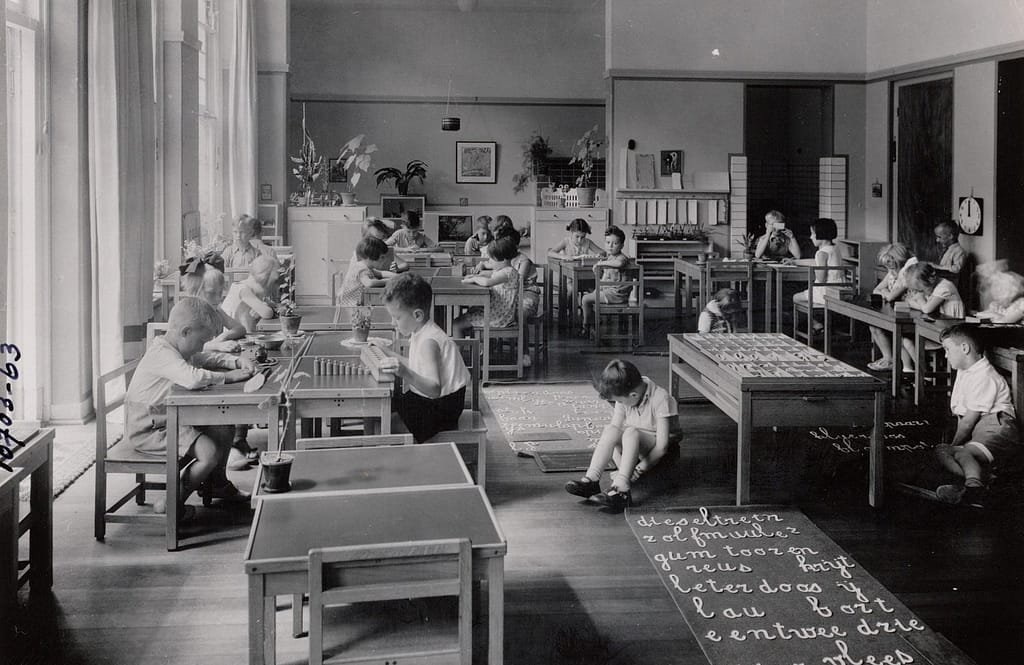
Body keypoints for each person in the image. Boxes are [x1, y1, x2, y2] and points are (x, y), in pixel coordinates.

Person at [125, 298, 255, 519]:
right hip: (148, 428)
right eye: (202, 340)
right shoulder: (161, 354)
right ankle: (172, 503)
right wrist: (228, 377)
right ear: (185, 332)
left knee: (223, 427)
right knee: (209, 454)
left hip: (166, 419)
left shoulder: (175, 348)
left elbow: (202, 358)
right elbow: (193, 378)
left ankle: (218, 484)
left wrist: (233, 362)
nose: (202, 346)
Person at [564, 359, 682, 509]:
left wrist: (638, 470)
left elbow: (662, 447)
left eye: (619, 401)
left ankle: (622, 490)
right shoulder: (626, 395)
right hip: (633, 450)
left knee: (631, 432)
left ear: (633, 395)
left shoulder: (661, 398)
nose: (619, 404)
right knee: (611, 429)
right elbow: (614, 433)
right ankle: (592, 480)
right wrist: (621, 468)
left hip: (661, 455)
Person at [376, 273, 471, 443]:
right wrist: (386, 351)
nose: (392, 323)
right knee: (389, 407)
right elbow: (417, 365)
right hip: (434, 400)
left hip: (443, 407)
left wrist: (404, 372)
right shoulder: (421, 330)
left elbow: (434, 389)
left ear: (417, 315)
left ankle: (408, 453)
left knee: (387, 422)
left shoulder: (429, 342)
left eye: (397, 317)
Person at [933, 324, 1020, 507]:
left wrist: (954, 445)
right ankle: (985, 480)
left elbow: (968, 422)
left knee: (959, 453)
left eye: (947, 349)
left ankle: (974, 488)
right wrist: (951, 448)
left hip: (998, 427)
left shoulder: (984, 376)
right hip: (981, 428)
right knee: (942, 451)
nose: (946, 355)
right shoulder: (966, 370)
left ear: (965, 348)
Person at [900, 261, 964, 372]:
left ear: (931, 280)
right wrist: (918, 302)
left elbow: (927, 309)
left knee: (907, 340)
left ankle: (924, 373)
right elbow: (913, 303)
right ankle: (911, 370)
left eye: (921, 290)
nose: (920, 293)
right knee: (903, 337)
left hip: (951, 332)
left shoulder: (945, 287)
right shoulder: (932, 286)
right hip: (938, 328)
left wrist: (919, 299)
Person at [453, 236, 520, 339]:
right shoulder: (505, 270)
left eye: (491, 259)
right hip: (497, 312)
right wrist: (478, 275)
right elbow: (491, 274)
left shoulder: (507, 272)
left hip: (498, 317)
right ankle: (474, 345)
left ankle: (458, 350)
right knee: (467, 315)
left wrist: (474, 279)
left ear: (503, 260)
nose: (489, 262)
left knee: (456, 324)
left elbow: (487, 282)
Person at [866, 243, 918, 371]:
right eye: (886, 263)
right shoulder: (891, 273)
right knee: (874, 325)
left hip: (910, 311)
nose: (888, 265)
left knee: (895, 331)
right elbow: (876, 290)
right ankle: (888, 358)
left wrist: (885, 292)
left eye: (890, 261)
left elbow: (891, 296)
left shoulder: (907, 273)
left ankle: (898, 363)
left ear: (898, 259)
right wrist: (885, 292)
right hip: (897, 308)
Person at [179, 260, 246, 353]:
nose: (218, 299)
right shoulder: (190, 315)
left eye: (220, 293)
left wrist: (223, 336)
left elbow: (240, 328)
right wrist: (216, 345)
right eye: (211, 293)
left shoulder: (216, 311)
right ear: (195, 292)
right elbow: (188, 347)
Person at [792, 217, 843, 333]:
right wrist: (795, 262)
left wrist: (814, 269)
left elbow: (821, 279)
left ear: (821, 234)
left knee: (796, 297)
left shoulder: (821, 253)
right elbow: (816, 262)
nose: (811, 237)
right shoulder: (834, 248)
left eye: (813, 234)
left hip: (826, 292)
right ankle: (820, 324)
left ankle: (816, 324)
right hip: (838, 289)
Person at [580, 226, 632, 339]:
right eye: (608, 243)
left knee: (585, 299)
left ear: (622, 245)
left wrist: (601, 264)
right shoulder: (610, 259)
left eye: (615, 243)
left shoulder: (622, 258)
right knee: (591, 294)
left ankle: (586, 326)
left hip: (617, 295)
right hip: (610, 292)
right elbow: (604, 279)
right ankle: (592, 325)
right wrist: (597, 272)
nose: (610, 246)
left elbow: (619, 264)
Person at [221, 254, 279, 332]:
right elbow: (267, 313)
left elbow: (272, 306)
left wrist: (265, 305)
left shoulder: (245, 287)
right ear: (264, 279)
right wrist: (265, 307)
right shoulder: (243, 290)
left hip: (242, 333)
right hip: (233, 336)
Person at [336, 236, 394, 307]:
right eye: (382, 257)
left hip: (354, 303)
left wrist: (397, 276)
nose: (384, 260)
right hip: (349, 305)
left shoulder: (366, 267)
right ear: (371, 257)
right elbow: (369, 283)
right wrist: (389, 281)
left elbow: (381, 273)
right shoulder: (361, 269)